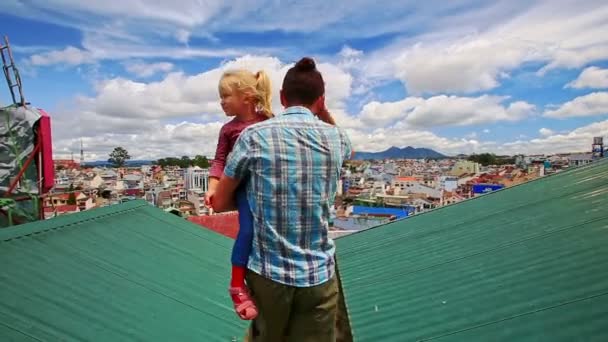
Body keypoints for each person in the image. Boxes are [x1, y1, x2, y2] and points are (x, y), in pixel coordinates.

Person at [212, 57, 352, 342]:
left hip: (268, 272)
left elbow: (222, 202)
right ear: (321, 99)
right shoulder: (337, 139)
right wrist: (323, 113)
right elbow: (348, 147)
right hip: (318, 274)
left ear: (282, 98)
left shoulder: (252, 136)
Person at [205, 69, 273, 320]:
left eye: (225, 96)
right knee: (247, 231)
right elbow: (219, 160)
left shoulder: (269, 121)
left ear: (246, 96)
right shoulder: (228, 130)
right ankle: (237, 285)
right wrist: (213, 187)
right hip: (244, 188)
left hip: (268, 188)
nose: (221, 102)